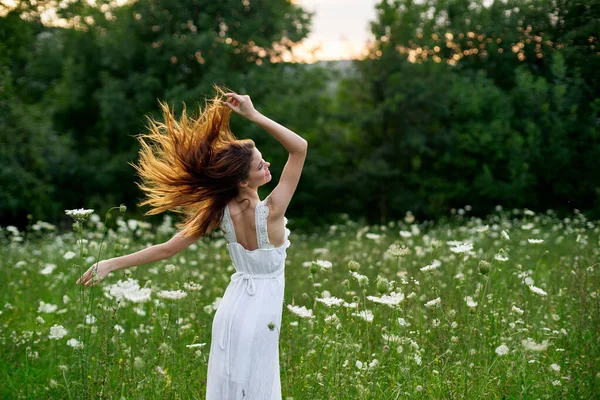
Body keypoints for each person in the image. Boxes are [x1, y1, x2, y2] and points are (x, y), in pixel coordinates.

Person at [75, 85, 308, 399]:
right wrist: (254, 116)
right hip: (260, 314)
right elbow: (300, 147)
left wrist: (111, 263)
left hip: (231, 310)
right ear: (242, 180)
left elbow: (168, 249)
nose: (267, 166)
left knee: (228, 387)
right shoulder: (273, 210)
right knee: (258, 388)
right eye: (260, 165)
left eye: (264, 160)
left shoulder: (219, 213)